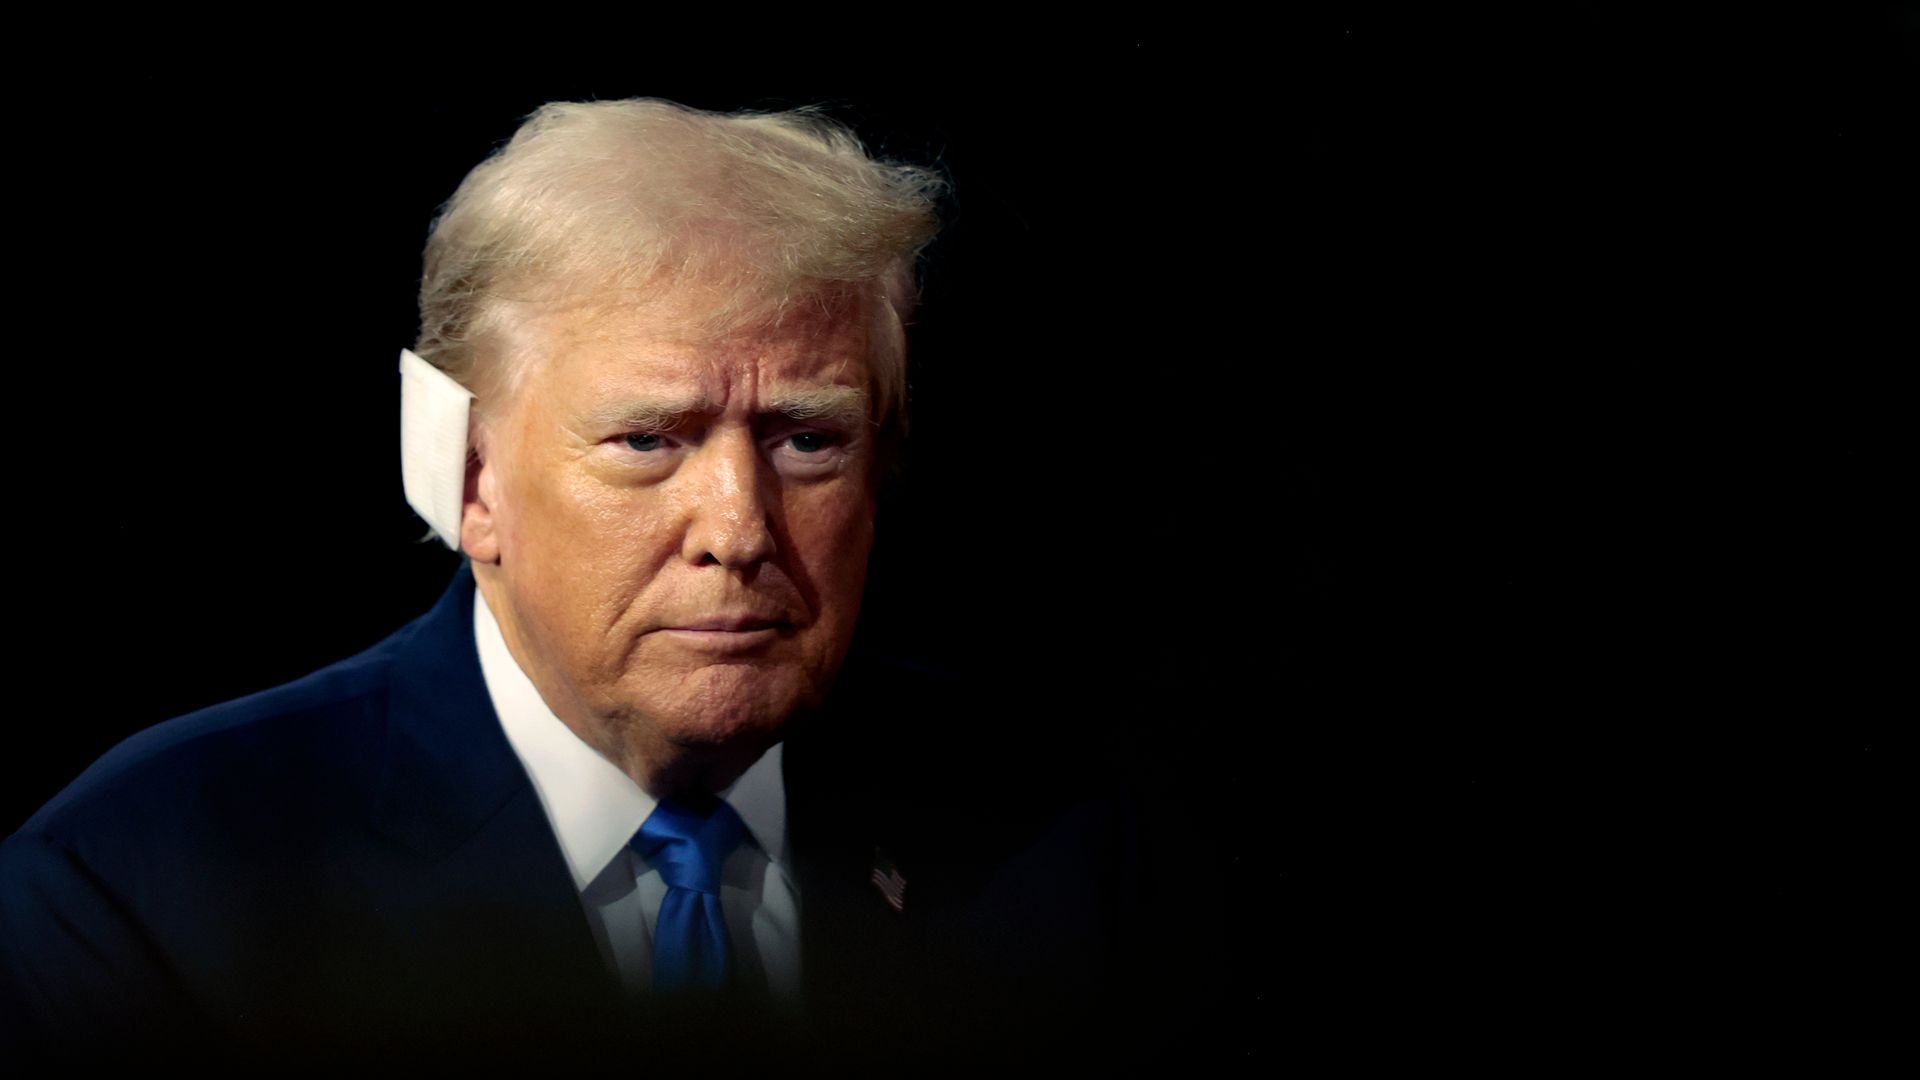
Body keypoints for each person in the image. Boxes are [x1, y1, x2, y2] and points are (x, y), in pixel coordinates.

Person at [1, 99, 1144, 1071]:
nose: (740, 530)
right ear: (469, 476)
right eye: (649, 440)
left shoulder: (1064, 847)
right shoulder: (150, 894)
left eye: (808, 439)